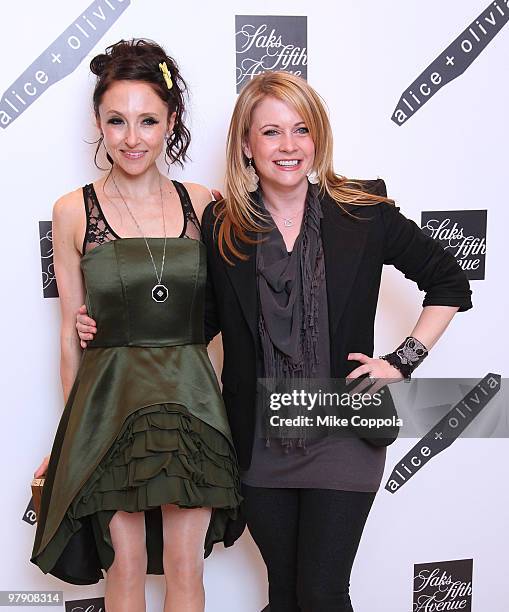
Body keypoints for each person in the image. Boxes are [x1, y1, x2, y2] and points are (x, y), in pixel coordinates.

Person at [78, 71, 472, 611]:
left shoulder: (364, 211)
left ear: (318, 138)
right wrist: (115, 323)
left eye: (301, 130)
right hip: (258, 438)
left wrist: (401, 361)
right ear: (246, 143)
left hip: (343, 427)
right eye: (270, 132)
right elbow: (199, 320)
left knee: (321, 592)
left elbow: (449, 281)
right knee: (284, 595)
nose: (288, 147)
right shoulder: (224, 223)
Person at [31, 39, 242, 612]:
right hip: (109, 410)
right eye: (116, 121)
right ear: (98, 122)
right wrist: (68, 437)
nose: (132, 137)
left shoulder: (203, 202)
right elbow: (69, 338)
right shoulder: (72, 210)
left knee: (184, 570)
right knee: (122, 572)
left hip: (192, 407)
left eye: (148, 121)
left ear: (170, 121)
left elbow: (238, 307)